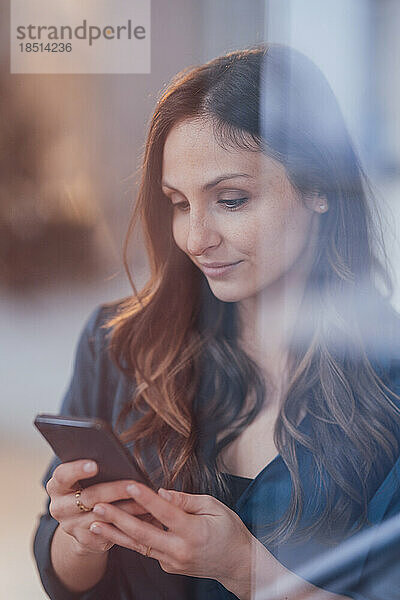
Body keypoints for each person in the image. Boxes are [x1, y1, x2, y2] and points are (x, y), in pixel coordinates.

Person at [33, 43, 400, 600]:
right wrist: (82, 536)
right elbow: (61, 575)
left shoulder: (388, 383)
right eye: (179, 204)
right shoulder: (122, 346)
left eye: (231, 199)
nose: (196, 239)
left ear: (319, 187)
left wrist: (245, 568)